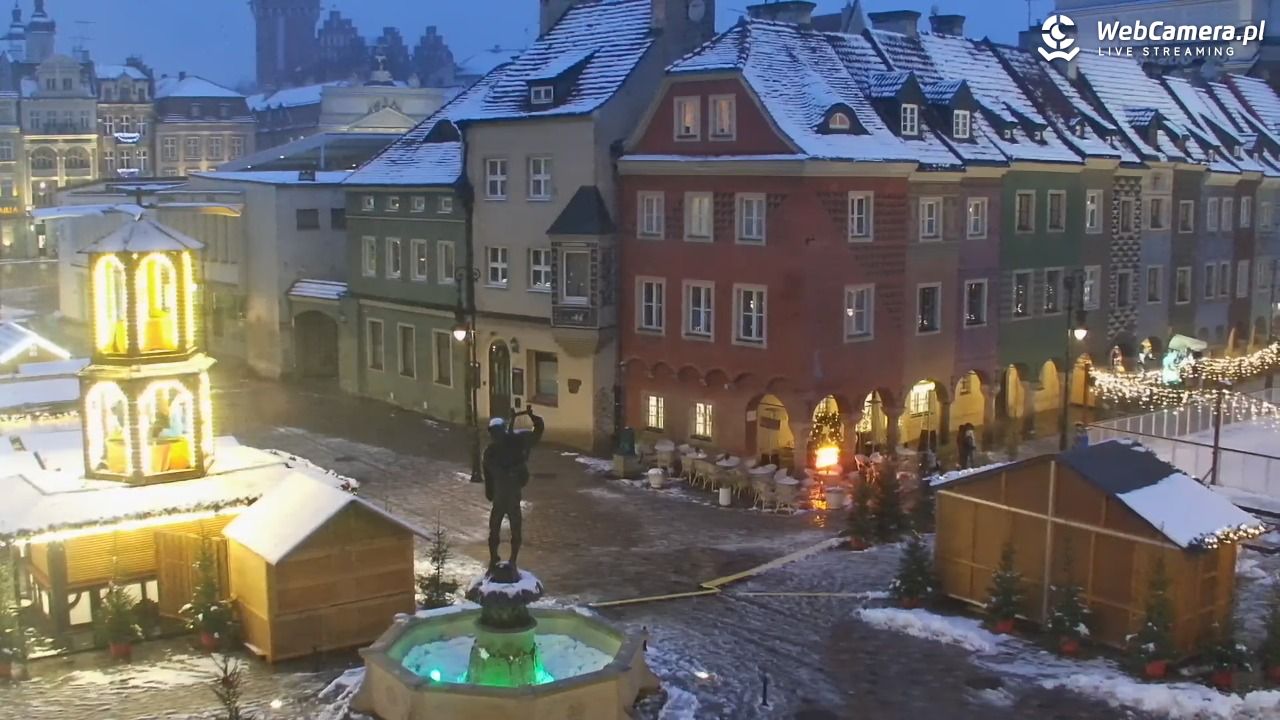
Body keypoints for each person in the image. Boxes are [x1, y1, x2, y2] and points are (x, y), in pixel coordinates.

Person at [482, 406, 544, 571]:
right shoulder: (501, 448)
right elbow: (489, 473)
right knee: (502, 529)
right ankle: (501, 559)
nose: (495, 436)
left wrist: (533, 417)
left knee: (505, 529)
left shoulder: (499, 449)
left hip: (505, 495)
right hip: (506, 495)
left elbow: (537, 431)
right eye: (493, 433)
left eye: (496, 432)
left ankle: (505, 560)